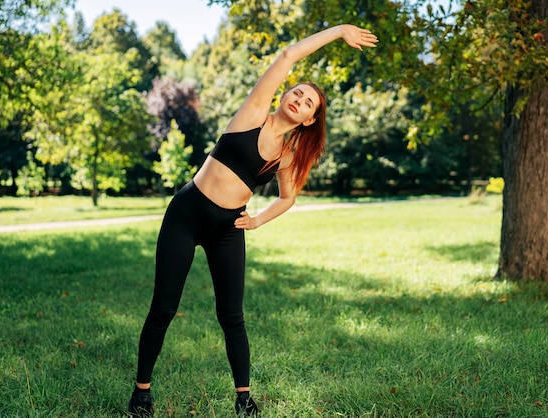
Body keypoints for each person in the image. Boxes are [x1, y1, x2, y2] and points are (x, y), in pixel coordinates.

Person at [127, 24, 378, 417]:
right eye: (297, 92)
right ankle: (142, 390)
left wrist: (258, 221)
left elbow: (288, 197)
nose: (299, 99)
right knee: (163, 307)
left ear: (310, 119)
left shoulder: (289, 156)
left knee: (232, 315)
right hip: (186, 214)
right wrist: (339, 31)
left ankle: (244, 398)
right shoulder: (253, 113)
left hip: (228, 228)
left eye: (308, 102)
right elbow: (287, 57)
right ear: (283, 96)